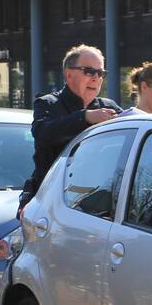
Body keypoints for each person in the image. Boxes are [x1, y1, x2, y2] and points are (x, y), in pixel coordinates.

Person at [19, 44, 121, 215]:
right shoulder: (48, 103)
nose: (96, 78)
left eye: (100, 73)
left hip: (99, 203)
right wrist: (85, 117)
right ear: (69, 74)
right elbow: (43, 133)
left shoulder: (109, 107)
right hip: (51, 203)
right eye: (89, 71)